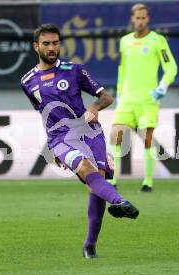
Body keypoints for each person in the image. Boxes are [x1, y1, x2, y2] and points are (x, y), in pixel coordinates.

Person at [20, 23, 139, 259]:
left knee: (95, 186)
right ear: (36, 47)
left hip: (90, 132)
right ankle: (120, 200)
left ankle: (90, 245)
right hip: (61, 138)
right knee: (86, 169)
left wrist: (95, 106)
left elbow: (106, 96)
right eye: (46, 44)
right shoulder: (27, 81)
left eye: (55, 43)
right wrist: (52, 146)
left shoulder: (74, 70)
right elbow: (43, 112)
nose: (52, 48)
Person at [109, 3, 178, 192]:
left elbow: (171, 67)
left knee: (147, 137)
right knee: (116, 135)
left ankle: (148, 182)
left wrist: (161, 88)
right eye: (137, 18)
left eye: (143, 18)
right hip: (127, 99)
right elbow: (122, 68)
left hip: (148, 99)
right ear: (132, 19)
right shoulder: (125, 41)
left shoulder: (157, 40)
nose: (139, 21)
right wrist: (119, 90)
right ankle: (112, 181)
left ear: (147, 19)